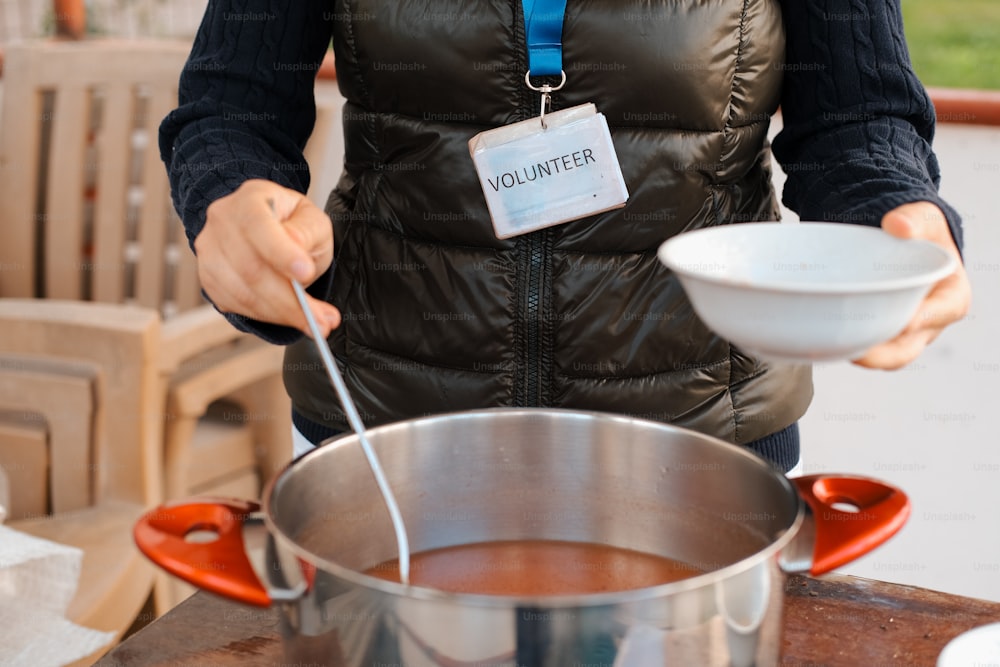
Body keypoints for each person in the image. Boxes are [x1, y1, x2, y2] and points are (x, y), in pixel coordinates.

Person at [160, 0, 972, 473]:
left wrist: (899, 212)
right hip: (387, 435)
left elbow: (858, 118)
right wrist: (228, 203)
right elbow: (231, 107)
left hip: (701, 438)